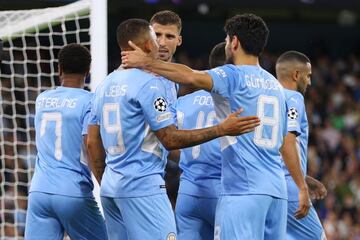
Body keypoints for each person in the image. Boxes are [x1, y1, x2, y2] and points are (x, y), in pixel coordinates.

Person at [121, 13, 311, 239]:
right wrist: (302, 186)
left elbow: (191, 77)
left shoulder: (232, 75)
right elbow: (285, 144)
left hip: (241, 192)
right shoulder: (276, 86)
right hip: (276, 193)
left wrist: (148, 62)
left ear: (234, 42)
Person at [87, 18, 260, 240]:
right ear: (147, 44)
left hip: (112, 187)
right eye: (155, 37)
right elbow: (170, 139)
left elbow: (91, 141)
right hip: (143, 185)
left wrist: (106, 182)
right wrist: (220, 129)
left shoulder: (104, 85)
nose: (160, 43)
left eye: (168, 37)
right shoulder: (149, 84)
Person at [25, 43, 107, 240]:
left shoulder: (42, 100)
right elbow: (91, 145)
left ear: (59, 69)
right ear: (88, 72)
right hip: (72, 191)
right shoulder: (90, 101)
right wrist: (105, 184)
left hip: (39, 192)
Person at [173, 42, 225, 240]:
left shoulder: (184, 101)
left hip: (187, 191)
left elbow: (167, 141)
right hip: (222, 191)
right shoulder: (235, 103)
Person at [276, 50, 327, 240]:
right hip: (290, 190)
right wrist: (301, 186)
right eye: (308, 76)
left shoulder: (268, 99)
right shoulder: (294, 99)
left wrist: (306, 179)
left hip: (268, 186)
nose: (310, 82)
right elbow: (288, 141)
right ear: (296, 75)